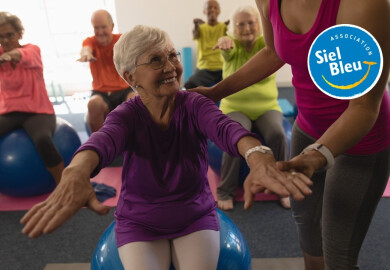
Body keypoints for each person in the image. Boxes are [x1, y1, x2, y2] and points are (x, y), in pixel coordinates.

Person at [20, 25, 312, 269]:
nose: (171, 66)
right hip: (139, 221)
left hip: (194, 215)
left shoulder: (194, 103)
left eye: (172, 55)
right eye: (156, 60)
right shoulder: (127, 114)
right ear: (130, 76)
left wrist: (256, 154)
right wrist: (75, 172)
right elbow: (103, 140)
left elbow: (226, 129)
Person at [190, 0, 390, 269]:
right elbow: (273, 52)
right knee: (309, 235)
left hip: (362, 138)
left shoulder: (366, 5)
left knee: (339, 256)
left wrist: (317, 155)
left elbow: (365, 108)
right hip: (308, 128)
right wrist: (215, 92)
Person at [213, 5, 289, 210]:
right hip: (235, 106)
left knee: (278, 134)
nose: (246, 28)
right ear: (234, 28)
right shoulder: (233, 46)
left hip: (267, 106)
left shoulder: (268, 45)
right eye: (241, 24)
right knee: (235, 136)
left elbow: (280, 45)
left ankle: (281, 184)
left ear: (259, 24)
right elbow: (226, 49)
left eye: (251, 23)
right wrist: (223, 42)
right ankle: (225, 191)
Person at [0, 12, 64, 184]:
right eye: (0, 37)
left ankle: (64, 186)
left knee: (43, 140)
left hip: (39, 111)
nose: (5, 41)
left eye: (9, 35)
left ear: (19, 34)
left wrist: (8, 56)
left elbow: (21, 56)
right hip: (9, 112)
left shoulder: (32, 50)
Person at [77, 9, 137, 133]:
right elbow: (86, 49)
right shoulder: (90, 41)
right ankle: (100, 147)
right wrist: (86, 54)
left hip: (124, 90)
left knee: (135, 100)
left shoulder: (121, 40)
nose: (99, 32)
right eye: (96, 28)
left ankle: (133, 145)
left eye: (103, 27)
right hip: (101, 92)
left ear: (112, 26)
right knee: (93, 104)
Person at [183, 0, 229, 89]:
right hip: (204, 69)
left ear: (219, 11)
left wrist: (231, 24)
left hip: (222, 68)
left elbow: (232, 37)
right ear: (204, 11)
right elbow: (195, 34)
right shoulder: (200, 27)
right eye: (209, 8)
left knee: (236, 84)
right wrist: (196, 24)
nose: (212, 10)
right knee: (189, 85)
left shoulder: (224, 27)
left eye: (215, 8)